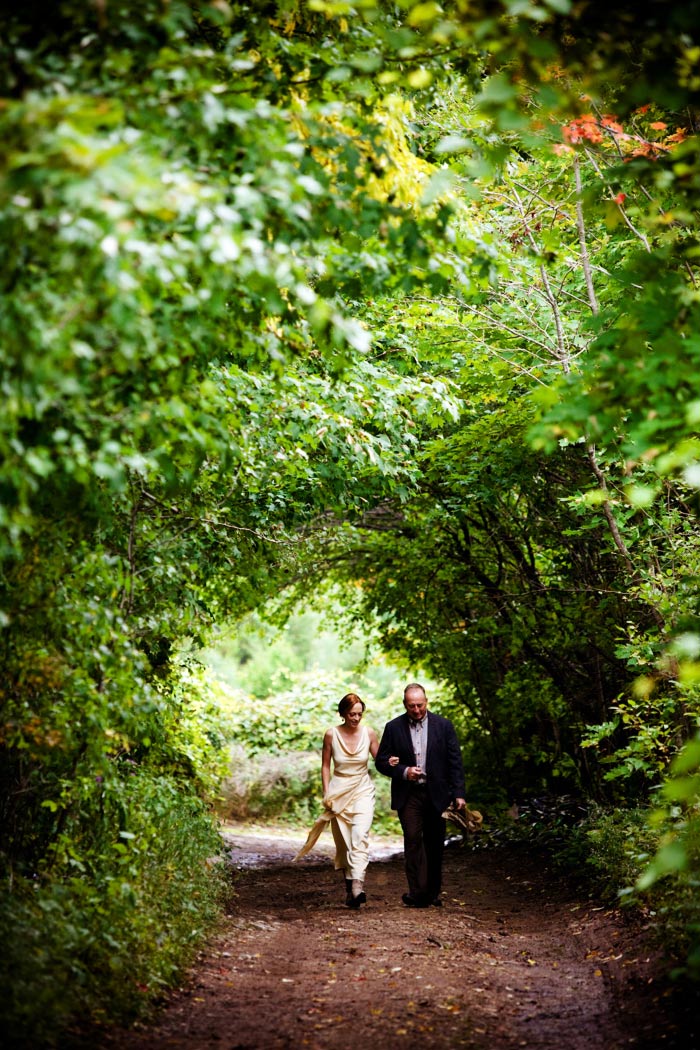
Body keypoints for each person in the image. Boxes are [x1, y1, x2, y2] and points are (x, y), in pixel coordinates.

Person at [375, 682, 466, 908]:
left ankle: (432, 893)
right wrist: (404, 771)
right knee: (413, 839)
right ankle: (416, 893)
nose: (416, 710)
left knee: (435, 844)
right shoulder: (393, 727)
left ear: (426, 701)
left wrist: (459, 793)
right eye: (411, 706)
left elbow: (455, 761)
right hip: (409, 795)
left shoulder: (443, 726)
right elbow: (381, 762)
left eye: (420, 705)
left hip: (437, 793)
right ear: (404, 704)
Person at [294, 693, 379, 909]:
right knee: (344, 844)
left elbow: (381, 759)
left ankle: (358, 885)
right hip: (338, 792)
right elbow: (325, 765)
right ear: (342, 713)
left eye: (359, 714)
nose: (356, 718)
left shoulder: (369, 733)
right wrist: (326, 792)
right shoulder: (331, 734)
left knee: (360, 835)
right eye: (352, 714)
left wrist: (395, 761)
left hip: (362, 789)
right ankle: (350, 888)